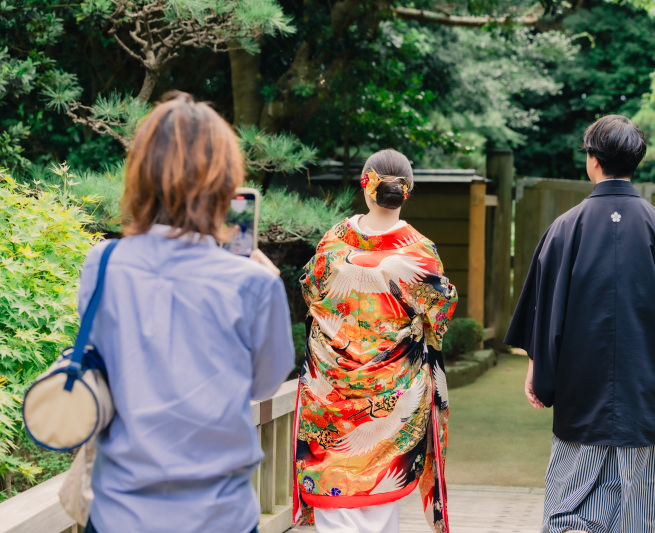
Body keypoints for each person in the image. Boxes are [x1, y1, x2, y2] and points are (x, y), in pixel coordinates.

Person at [78, 92, 295, 533]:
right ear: (225, 184)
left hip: (121, 512)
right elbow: (265, 383)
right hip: (220, 515)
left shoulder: (102, 264)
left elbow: (100, 359)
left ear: (140, 175)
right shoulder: (255, 283)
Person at [504, 115, 655, 533]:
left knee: (568, 495)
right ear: (635, 162)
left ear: (593, 160)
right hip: (642, 382)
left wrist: (537, 366)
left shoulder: (564, 228)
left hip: (579, 383)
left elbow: (544, 308)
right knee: (632, 506)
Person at [293, 149, 458, 533]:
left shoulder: (333, 244)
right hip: (392, 392)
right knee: (381, 500)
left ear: (365, 185)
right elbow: (441, 309)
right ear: (406, 191)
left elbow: (310, 291)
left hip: (331, 389)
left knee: (334, 489)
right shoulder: (419, 252)